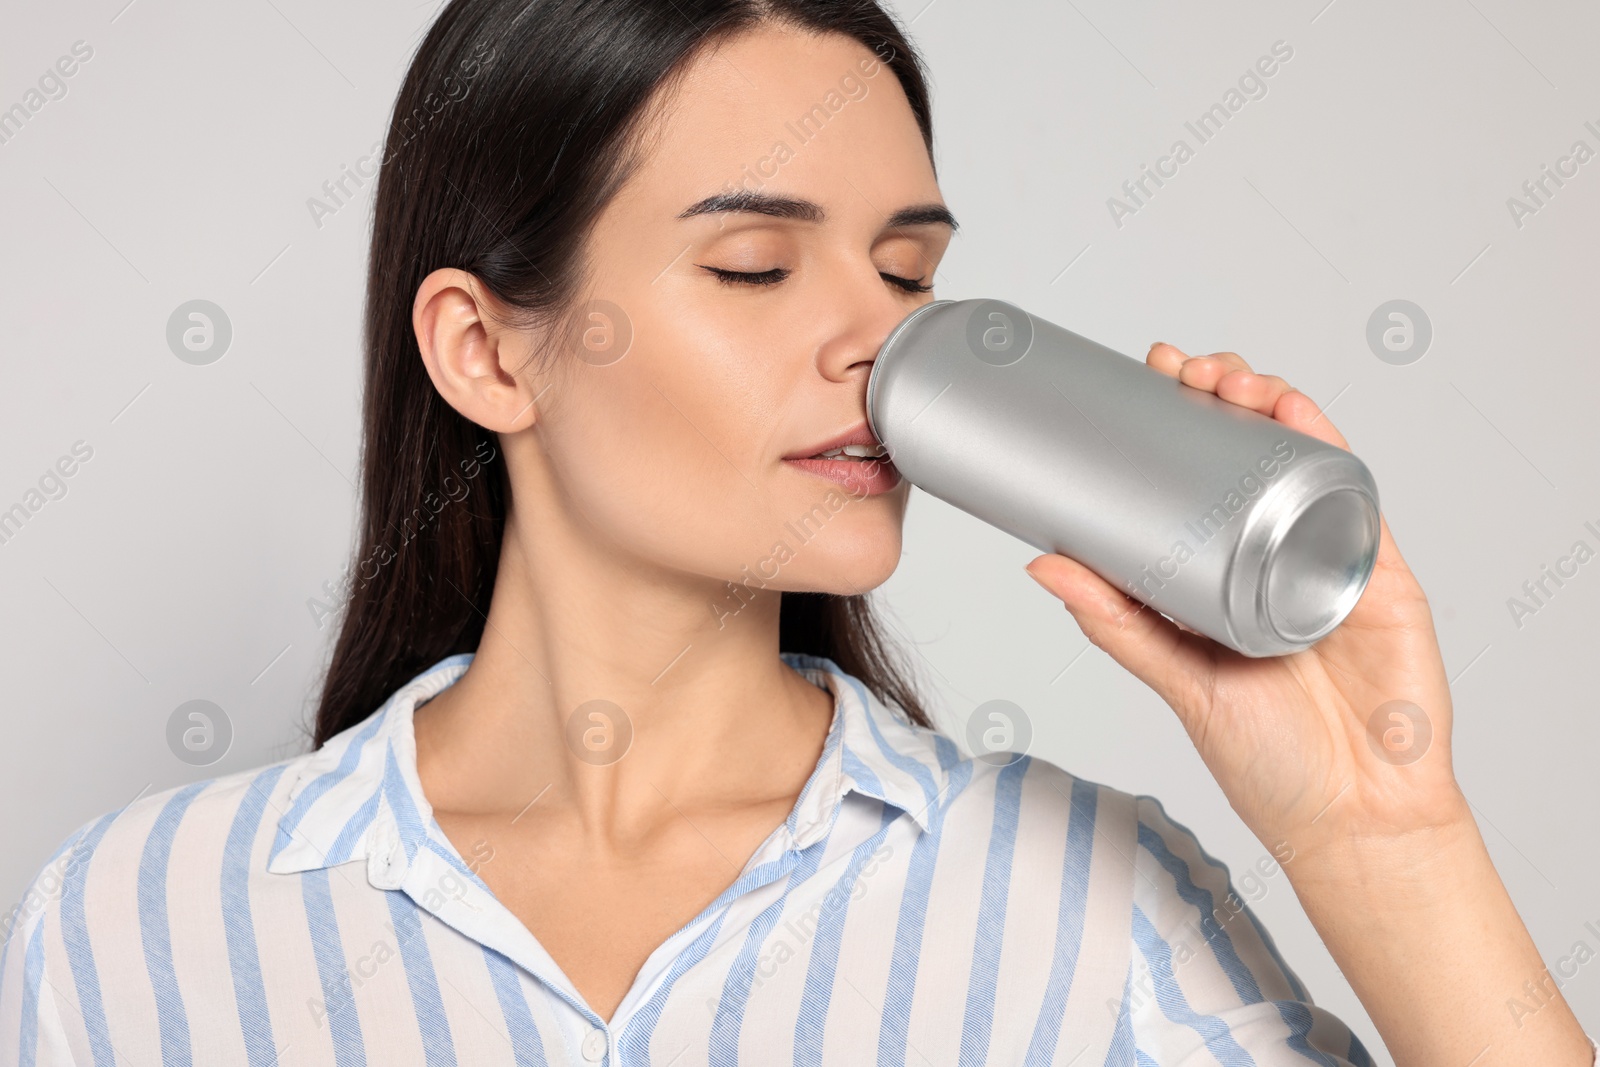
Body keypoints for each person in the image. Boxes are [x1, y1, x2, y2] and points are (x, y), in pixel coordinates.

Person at [1, 1, 1592, 1064]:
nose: (874, 342)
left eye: (907, 273)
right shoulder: (142, 920)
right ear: (488, 352)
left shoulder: (1088, 909)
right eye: (756, 266)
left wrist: (1384, 834)